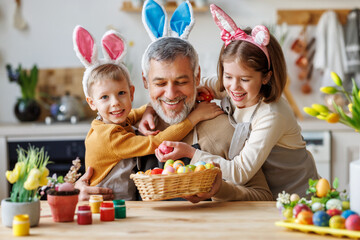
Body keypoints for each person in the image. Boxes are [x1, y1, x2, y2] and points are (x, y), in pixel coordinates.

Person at [75, 0, 273, 202]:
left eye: (181, 81)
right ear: (145, 81)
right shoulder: (124, 124)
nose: (170, 94)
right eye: (160, 83)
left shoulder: (221, 129)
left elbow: (264, 196)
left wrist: (221, 190)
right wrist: (76, 190)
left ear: (197, 78)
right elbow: (91, 176)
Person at [154, 4, 319, 199]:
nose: (234, 87)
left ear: (265, 77)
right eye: (228, 76)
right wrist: (150, 109)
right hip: (268, 199)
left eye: (245, 79)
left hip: (298, 197)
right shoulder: (230, 87)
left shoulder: (271, 115)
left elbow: (240, 172)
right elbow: (199, 85)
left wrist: (191, 153)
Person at [73, 26, 223, 200]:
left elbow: (137, 112)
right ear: (91, 102)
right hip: (111, 204)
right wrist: (195, 117)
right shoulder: (108, 136)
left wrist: (151, 108)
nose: (115, 103)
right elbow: (156, 142)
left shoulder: (116, 121)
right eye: (104, 97)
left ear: (131, 93)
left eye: (121, 93)